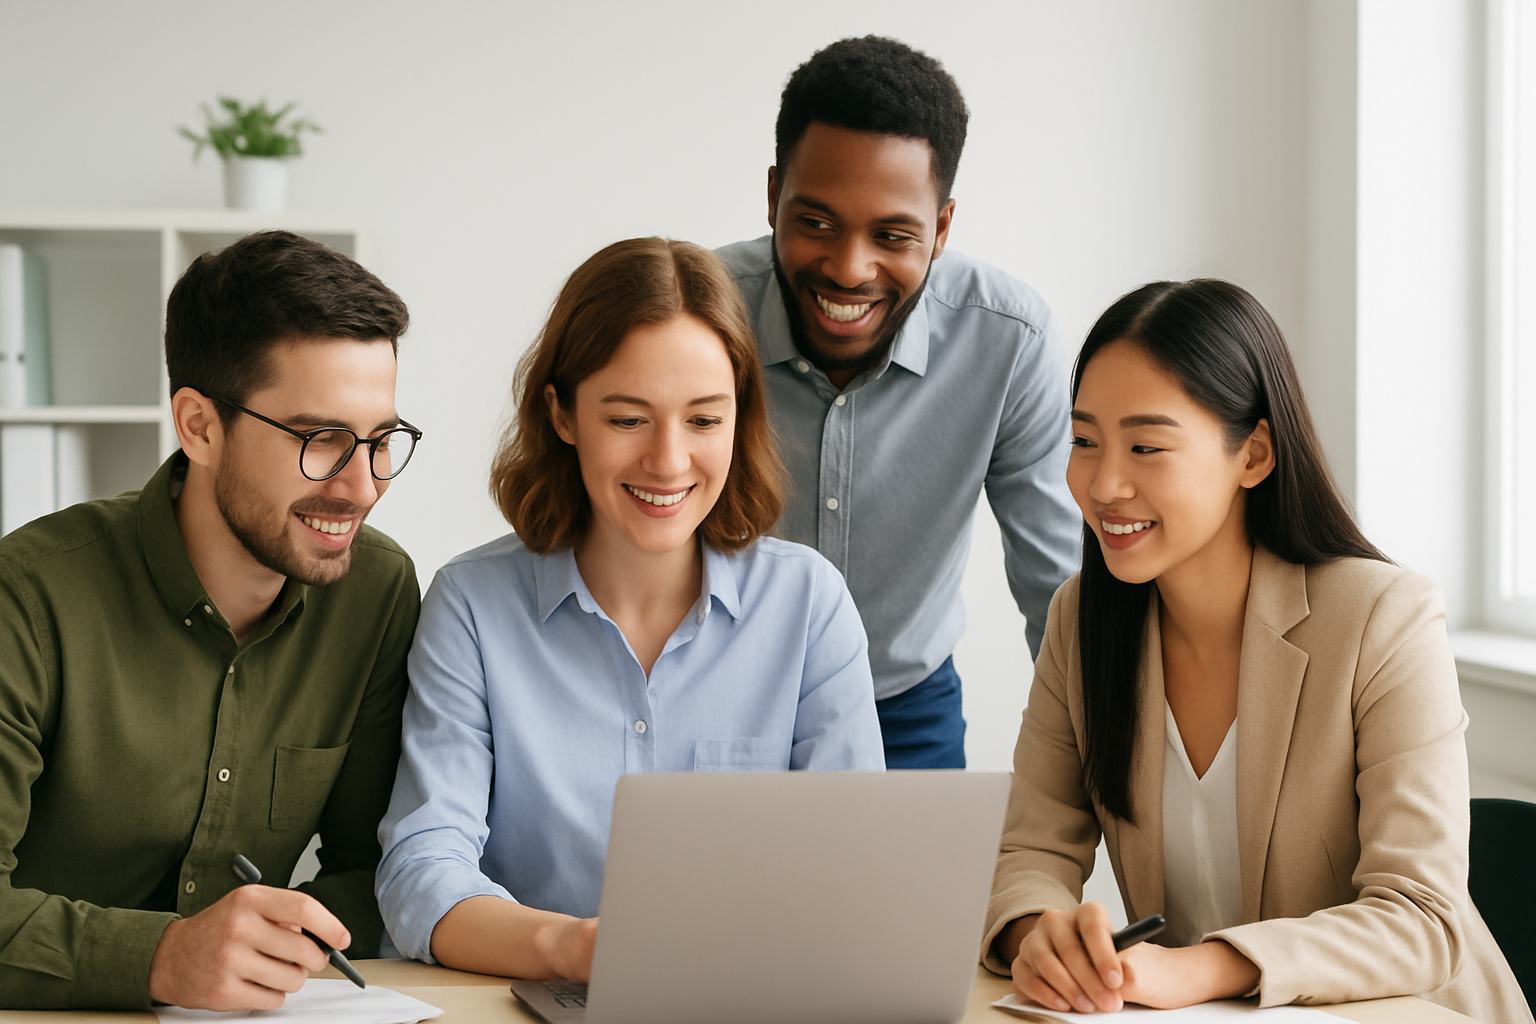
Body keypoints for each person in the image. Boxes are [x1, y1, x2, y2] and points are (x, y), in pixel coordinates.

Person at [983, 279, 1530, 1021]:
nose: (1103, 483)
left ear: (1255, 455)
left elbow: (1421, 917)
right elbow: (1030, 849)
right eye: (1084, 442)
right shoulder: (1081, 619)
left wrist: (1199, 969)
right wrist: (1039, 932)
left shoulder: (1384, 617)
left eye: (1146, 447)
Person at [375, 237, 885, 981]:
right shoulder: (471, 606)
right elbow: (423, 868)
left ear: (740, 418)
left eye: (704, 421)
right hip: (528, 1001)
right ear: (562, 413)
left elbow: (853, 872)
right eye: (627, 420)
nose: (669, 462)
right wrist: (571, 948)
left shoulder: (809, 605)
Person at [0, 231, 421, 1012]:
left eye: (380, 442)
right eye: (321, 440)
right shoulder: (26, 597)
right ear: (198, 426)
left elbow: (378, 869)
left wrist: (286, 938)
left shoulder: (376, 592)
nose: (363, 487)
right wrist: (162, 957)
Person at [716, 36, 1081, 769]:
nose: (850, 269)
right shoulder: (700, 314)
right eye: (816, 223)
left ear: (940, 229)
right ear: (773, 197)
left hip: (907, 710)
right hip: (719, 696)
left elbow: (1060, 590)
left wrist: (1096, 763)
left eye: (892, 235)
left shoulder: (1009, 341)